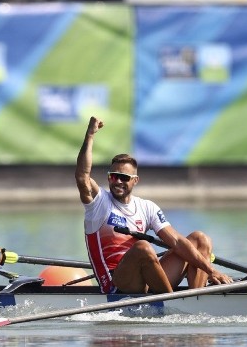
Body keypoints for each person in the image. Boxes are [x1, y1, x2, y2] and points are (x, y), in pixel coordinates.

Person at [76, 116, 233, 294]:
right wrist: (90, 135)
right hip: (116, 283)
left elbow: (176, 241)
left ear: (135, 181)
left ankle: (196, 299)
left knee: (199, 239)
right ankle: (172, 304)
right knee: (142, 247)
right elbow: (82, 177)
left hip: (147, 277)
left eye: (124, 178)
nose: (118, 181)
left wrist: (210, 270)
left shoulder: (147, 207)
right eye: (113, 176)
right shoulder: (99, 203)